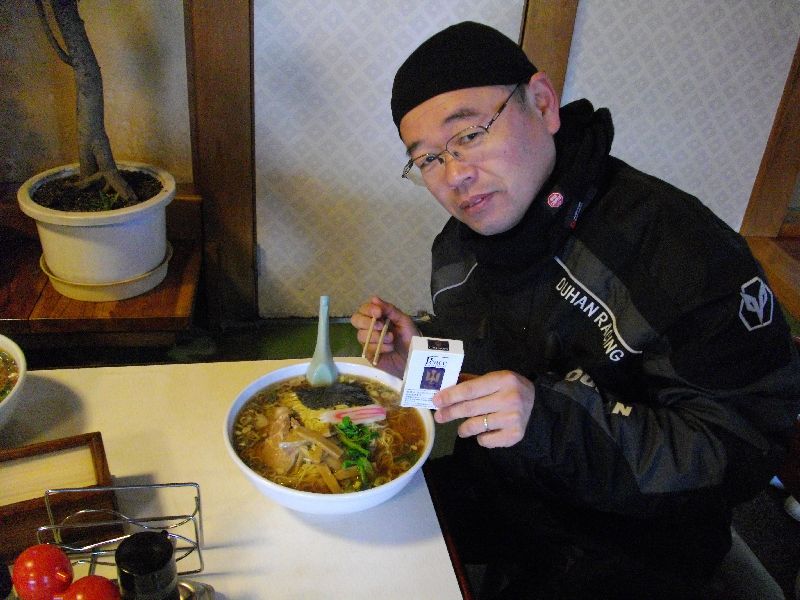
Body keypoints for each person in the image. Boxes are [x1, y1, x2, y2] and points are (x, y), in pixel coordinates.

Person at [351, 21, 800, 599]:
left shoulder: (682, 247)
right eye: (429, 159)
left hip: (638, 542)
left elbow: (741, 446)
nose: (455, 175)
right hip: (507, 495)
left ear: (542, 103)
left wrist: (548, 422)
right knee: (350, 522)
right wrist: (419, 359)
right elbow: (492, 371)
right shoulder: (460, 247)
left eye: (470, 134)